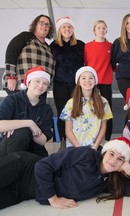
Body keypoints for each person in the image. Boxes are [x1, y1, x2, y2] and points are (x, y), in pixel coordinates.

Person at [0, 138, 130, 209]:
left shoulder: (108, 183)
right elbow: (42, 166)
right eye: (112, 154)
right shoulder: (87, 154)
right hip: (23, 168)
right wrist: (54, 199)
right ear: (104, 152)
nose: (114, 161)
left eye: (120, 159)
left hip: (23, 193)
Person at [0, 66, 53, 158]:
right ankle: (11, 169)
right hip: (8, 149)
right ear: (28, 83)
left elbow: (43, 140)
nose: (41, 85)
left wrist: (15, 125)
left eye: (45, 83)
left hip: (34, 150)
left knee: (45, 166)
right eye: (37, 81)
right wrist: (30, 124)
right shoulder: (12, 100)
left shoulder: (46, 109)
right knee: (22, 133)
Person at [50, 16, 85, 151]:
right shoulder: (53, 45)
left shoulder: (80, 45)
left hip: (76, 86)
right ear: (60, 29)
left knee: (76, 112)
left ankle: (76, 141)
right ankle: (63, 142)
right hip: (59, 84)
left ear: (73, 29)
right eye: (64, 27)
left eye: (69, 27)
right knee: (62, 114)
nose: (67, 29)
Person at [60, 66, 113, 150]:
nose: (87, 81)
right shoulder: (71, 103)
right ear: (78, 82)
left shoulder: (103, 102)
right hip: (74, 147)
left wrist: (95, 146)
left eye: (91, 78)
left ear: (95, 81)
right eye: (83, 78)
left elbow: (103, 127)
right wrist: (78, 148)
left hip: (94, 147)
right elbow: (68, 130)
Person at [2, 14, 55, 94]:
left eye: (47, 25)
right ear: (35, 24)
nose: (44, 26)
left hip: (39, 89)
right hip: (21, 86)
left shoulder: (48, 47)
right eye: (41, 23)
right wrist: (11, 77)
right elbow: (11, 52)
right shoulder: (26, 37)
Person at [84, 20, 113, 142]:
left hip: (106, 82)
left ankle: (107, 140)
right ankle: (91, 139)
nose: (101, 30)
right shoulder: (87, 46)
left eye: (104, 28)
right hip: (92, 83)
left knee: (107, 112)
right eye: (99, 28)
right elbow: (85, 64)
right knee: (90, 111)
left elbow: (114, 63)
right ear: (94, 30)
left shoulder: (111, 46)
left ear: (106, 30)